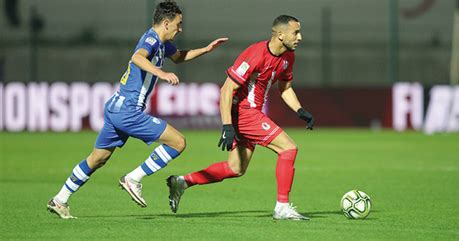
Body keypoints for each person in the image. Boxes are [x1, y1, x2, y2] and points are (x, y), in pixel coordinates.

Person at [46, 0, 228, 219]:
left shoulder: (162, 44)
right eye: (179, 24)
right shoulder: (151, 38)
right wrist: (162, 74)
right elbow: (137, 57)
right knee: (178, 142)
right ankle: (133, 178)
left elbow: (179, 57)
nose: (181, 29)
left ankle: (59, 199)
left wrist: (206, 49)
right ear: (166, 23)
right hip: (128, 110)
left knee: (97, 159)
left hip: (116, 107)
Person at [167, 15, 314, 221]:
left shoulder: (288, 57)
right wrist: (227, 125)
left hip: (252, 113)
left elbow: (285, 87)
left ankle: (182, 182)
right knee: (288, 148)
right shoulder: (255, 54)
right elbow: (227, 89)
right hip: (245, 113)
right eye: (295, 32)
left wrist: (300, 110)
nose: (300, 37)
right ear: (280, 35)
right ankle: (282, 207)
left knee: (235, 168)